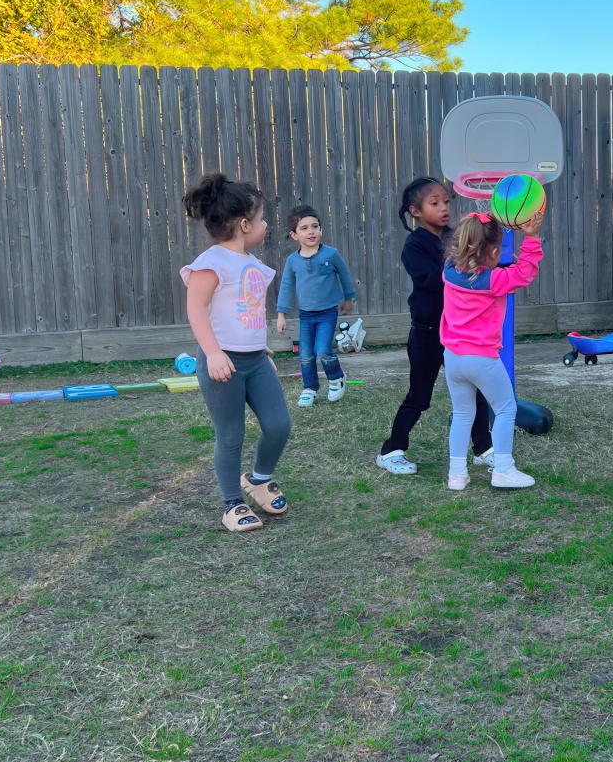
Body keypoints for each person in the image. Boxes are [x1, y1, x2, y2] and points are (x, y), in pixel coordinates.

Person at [180, 173, 291, 534]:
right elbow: (196, 309)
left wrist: (263, 350)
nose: (266, 224)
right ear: (245, 225)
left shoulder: (252, 265)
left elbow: (248, 313)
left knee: (279, 425)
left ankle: (258, 478)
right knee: (231, 436)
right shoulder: (211, 263)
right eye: (261, 219)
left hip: (256, 361)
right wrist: (212, 354)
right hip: (222, 364)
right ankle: (232, 504)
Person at [377, 178, 493, 475]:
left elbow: (480, 267)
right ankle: (392, 450)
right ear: (415, 211)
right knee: (420, 395)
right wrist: (461, 264)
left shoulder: (456, 236)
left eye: (447, 201)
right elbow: (431, 280)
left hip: (458, 334)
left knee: (475, 391)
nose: (444, 208)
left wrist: (501, 266)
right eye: (435, 203)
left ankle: (483, 449)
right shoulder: (414, 245)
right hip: (428, 335)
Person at [442, 209, 543, 491]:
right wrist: (531, 237)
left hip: (453, 358)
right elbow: (524, 273)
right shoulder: (495, 281)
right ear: (495, 250)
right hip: (482, 359)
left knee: (463, 414)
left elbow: (467, 249)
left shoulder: (448, 271)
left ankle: (457, 474)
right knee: (506, 408)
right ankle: (503, 469)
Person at [276, 205, 357, 407]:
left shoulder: (331, 254)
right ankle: (310, 387)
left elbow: (346, 276)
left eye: (315, 226)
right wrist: (281, 314)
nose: (311, 231)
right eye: (304, 228)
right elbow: (286, 287)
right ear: (294, 235)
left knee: (322, 351)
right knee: (305, 355)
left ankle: (336, 377)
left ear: (320, 229)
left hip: (327, 312)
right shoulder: (292, 261)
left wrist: (349, 299)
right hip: (306, 315)